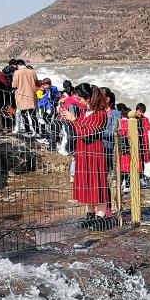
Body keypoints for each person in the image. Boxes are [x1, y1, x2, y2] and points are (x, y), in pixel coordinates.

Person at [62, 86, 110, 228]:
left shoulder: (100, 114)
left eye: (81, 98)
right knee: (87, 184)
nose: (79, 100)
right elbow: (80, 130)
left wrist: (74, 120)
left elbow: (87, 133)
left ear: (89, 98)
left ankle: (100, 218)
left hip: (94, 152)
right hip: (83, 152)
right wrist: (73, 120)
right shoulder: (85, 112)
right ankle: (89, 217)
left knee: (97, 183)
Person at [124, 102, 150, 187]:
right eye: (139, 111)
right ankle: (128, 181)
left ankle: (140, 178)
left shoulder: (145, 119)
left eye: (142, 112)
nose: (140, 113)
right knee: (131, 161)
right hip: (133, 144)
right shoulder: (130, 118)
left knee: (142, 161)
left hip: (143, 143)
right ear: (136, 110)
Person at [11, 60, 40, 136]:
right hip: (32, 96)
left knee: (23, 114)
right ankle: (37, 132)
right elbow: (36, 82)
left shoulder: (17, 72)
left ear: (18, 65)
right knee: (33, 116)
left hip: (21, 96)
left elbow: (14, 85)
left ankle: (28, 131)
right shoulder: (32, 72)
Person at [36, 78, 60, 148]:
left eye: (44, 85)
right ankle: (49, 134)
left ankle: (52, 137)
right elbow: (44, 98)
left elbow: (56, 97)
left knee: (51, 121)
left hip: (51, 107)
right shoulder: (47, 90)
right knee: (45, 119)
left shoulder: (53, 89)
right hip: (47, 107)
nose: (43, 86)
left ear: (48, 84)